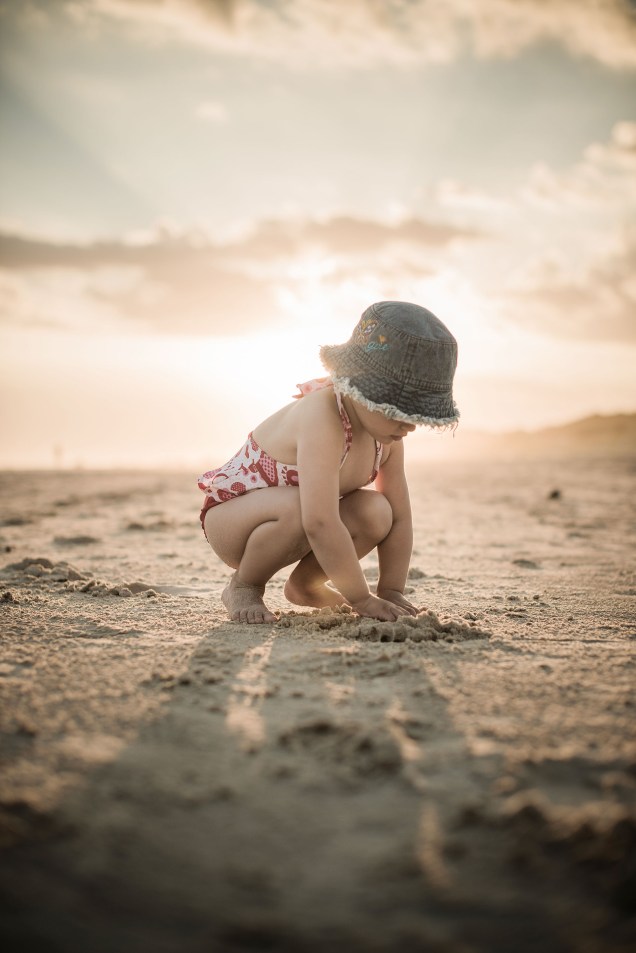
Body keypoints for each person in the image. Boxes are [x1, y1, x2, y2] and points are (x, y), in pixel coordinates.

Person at [198, 300, 459, 624]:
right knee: (298, 507)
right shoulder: (322, 415)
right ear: (359, 390)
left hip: (298, 522)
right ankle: (245, 585)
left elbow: (401, 518)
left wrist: (391, 590)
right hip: (235, 519)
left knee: (378, 512)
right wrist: (361, 599)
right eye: (397, 411)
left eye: (416, 416)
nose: (407, 425)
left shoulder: (386, 437)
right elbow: (319, 521)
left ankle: (306, 584)